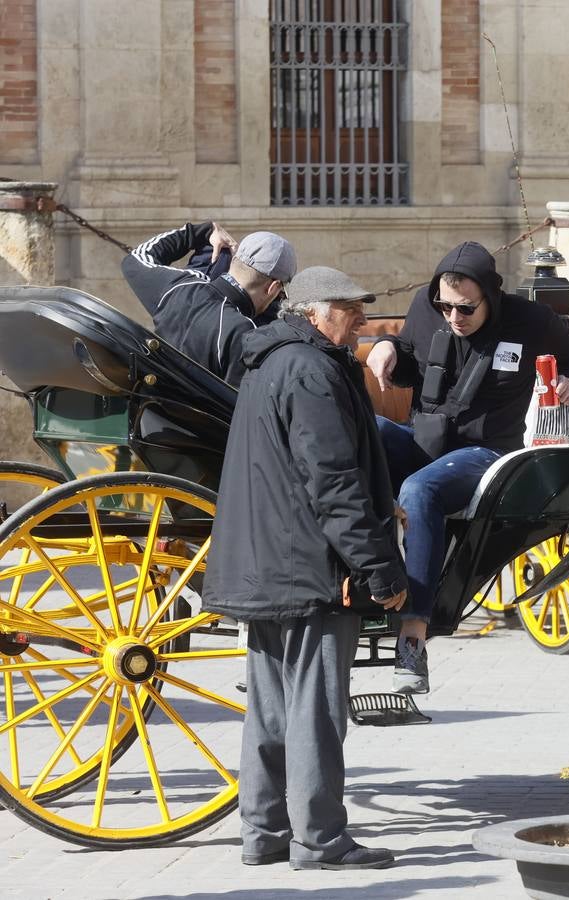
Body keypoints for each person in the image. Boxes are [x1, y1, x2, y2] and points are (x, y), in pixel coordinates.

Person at [203, 266, 408, 871]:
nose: (364, 322)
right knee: (315, 711)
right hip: (309, 568)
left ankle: (263, 833)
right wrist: (380, 569)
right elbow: (334, 484)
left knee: (270, 708)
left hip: (270, 565)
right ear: (314, 312)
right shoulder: (313, 371)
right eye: (351, 309)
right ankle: (320, 840)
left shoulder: (272, 362)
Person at [364, 241, 569, 694]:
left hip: (487, 454)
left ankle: (413, 640)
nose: (453, 317)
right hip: (426, 440)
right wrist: (387, 346)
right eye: (445, 307)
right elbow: (408, 358)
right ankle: (338, 589)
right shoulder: (428, 310)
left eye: (465, 308)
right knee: (353, 431)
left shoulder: (531, 321)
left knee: (419, 490)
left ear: (489, 294)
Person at [122, 221, 297, 386]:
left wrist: (201, 231)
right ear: (273, 288)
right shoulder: (245, 333)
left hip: (150, 410)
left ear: (235, 260)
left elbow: (135, 260)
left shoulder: (181, 286)